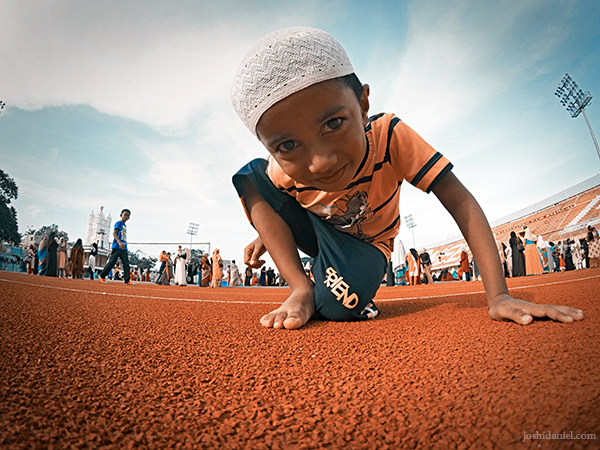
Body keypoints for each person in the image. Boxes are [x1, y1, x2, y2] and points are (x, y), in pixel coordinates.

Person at [230, 27, 583, 329]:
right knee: (249, 176)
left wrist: (499, 295)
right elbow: (272, 201)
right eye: (289, 145)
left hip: (366, 245)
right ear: (274, 149)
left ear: (364, 104)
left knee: (338, 308)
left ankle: (331, 291)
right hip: (318, 232)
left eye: (333, 124)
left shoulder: (390, 137)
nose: (320, 163)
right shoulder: (280, 169)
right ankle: (301, 288)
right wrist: (268, 233)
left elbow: (459, 200)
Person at [99, 209, 134, 285]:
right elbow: (114, 233)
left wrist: (124, 245)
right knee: (112, 262)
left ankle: (127, 280)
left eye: (128, 215)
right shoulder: (119, 223)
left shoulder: (125, 226)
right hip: (117, 247)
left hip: (124, 248)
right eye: (125, 215)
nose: (126, 217)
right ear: (121, 215)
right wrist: (119, 242)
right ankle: (102, 276)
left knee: (126, 264)